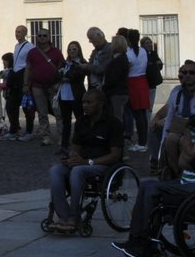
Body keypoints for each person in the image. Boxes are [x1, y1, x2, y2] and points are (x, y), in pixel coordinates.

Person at [113, 84, 195, 257]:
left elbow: (192, 153)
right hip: (190, 179)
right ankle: (137, 239)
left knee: (153, 190)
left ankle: (145, 243)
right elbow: (183, 162)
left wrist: (186, 135)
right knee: (147, 184)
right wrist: (189, 146)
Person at [46, 88, 124, 232]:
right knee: (55, 170)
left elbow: (115, 155)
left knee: (78, 171)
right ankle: (64, 216)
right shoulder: (81, 122)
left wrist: (88, 162)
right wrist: (70, 157)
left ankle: (74, 217)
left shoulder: (113, 123)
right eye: (83, 102)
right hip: (82, 161)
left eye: (89, 102)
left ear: (100, 104)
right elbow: (75, 148)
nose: (85, 106)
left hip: (103, 164)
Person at [24, 30, 65, 147]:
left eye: (44, 35)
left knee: (58, 112)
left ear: (49, 37)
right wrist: (25, 84)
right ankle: (46, 136)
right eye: (40, 36)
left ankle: (62, 135)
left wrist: (59, 83)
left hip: (53, 86)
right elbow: (28, 69)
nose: (42, 38)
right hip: (37, 86)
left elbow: (62, 68)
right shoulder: (32, 52)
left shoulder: (56, 52)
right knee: (42, 113)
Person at [56, 41, 88, 156]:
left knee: (80, 120)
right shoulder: (64, 63)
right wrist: (64, 76)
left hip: (77, 96)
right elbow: (56, 75)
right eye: (70, 49)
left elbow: (76, 75)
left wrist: (65, 76)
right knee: (66, 122)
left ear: (79, 50)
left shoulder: (82, 63)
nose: (72, 51)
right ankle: (64, 145)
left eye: (74, 49)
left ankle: (81, 144)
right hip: (64, 96)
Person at [4, 25, 33, 141]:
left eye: (20, 32)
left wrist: (27, 82)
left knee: (26, 108)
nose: (17, 34)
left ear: (25, 33)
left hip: (23, 77)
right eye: (16, 32)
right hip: (15, 77)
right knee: (11, 106)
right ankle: (14, 129)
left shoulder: (30, 47)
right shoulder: (16, 46)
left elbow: (30, 64)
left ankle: (29, 131)